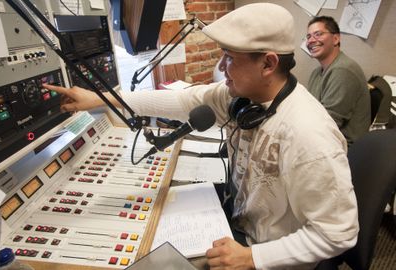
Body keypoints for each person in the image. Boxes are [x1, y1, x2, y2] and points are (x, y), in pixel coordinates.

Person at [43, 3, 359, 270]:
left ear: (268, 63)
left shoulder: (309, 136)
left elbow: (337, 234)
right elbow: (184, 101)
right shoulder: (242, 98)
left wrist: (252, 257)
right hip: (240, 223)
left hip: (269, 256)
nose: (222, 67)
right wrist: (100, 98)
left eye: (230, 59)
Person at [306, 16, 371, 145]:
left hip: (342, 149)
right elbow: (309, 111)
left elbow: (328, 123)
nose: (311, 41)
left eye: (318, 34)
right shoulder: (316, 73)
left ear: (335, 39)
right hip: (322, 139)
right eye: (308, 37)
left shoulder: (343, 70)